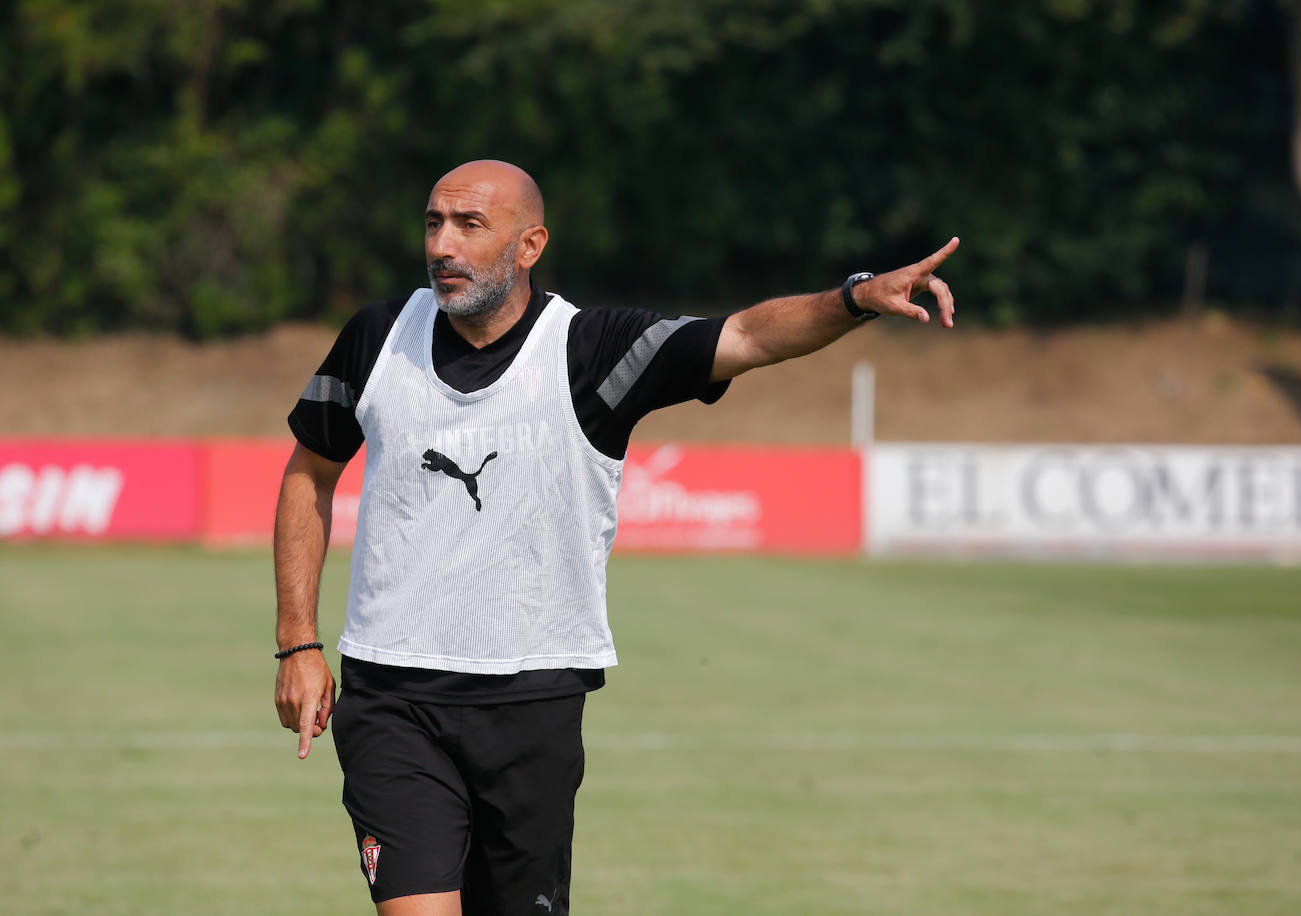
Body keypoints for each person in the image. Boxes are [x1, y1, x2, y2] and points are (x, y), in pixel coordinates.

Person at [273, 159, 958, 916]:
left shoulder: (593, 352)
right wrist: (298, 642)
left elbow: (747, 338)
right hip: (391, 696)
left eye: (470, 226)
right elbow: (310, 473)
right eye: (434, 222)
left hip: (534, 702)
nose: (443, 244)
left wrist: (856, 295)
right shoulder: (377, 339)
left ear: (529, 246)